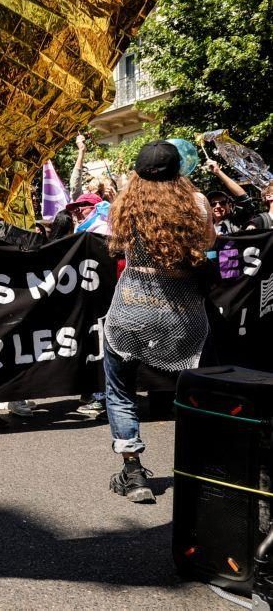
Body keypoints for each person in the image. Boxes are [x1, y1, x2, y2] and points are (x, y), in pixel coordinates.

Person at [103, 141, 215, 503]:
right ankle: (203, 466)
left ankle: (133, 472)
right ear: (177, 170)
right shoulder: (196, 203)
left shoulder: (125, 204)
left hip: (131, 311)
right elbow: (209, 241)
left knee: (120, 390)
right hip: (182, 315)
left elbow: (116, 247)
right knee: (195, 390)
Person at [204, 156, 258, 234]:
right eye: (213, 204)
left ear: (229, 206)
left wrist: (218, 172)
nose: (218, 206)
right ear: (209, 208)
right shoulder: (207, 231)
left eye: (222, 203)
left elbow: (245, 200)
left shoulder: (237, 221)